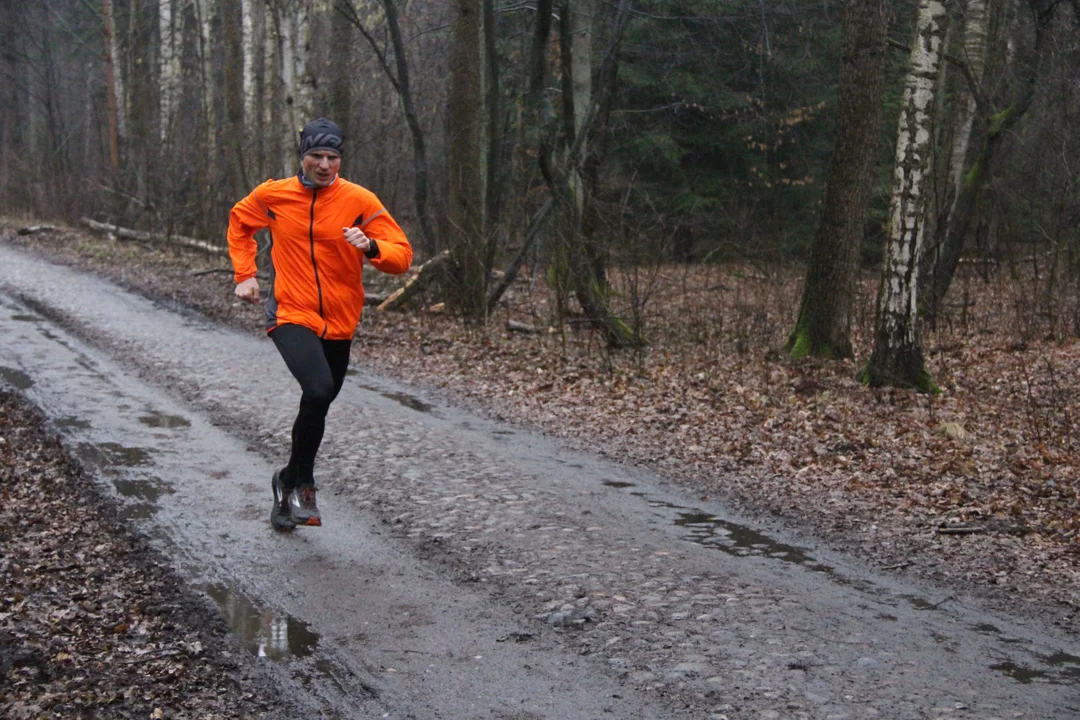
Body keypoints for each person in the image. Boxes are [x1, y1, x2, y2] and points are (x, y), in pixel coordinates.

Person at [227, 117, 412, 531]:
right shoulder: (273, 196)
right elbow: (240, 223)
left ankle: (285, 482)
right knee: (318, 388)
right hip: (291, 310)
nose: (325, 165)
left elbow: (402, 255)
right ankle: (306, 484)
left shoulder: (360, 200)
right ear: (303, 157)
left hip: (340, 320)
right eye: (316, 156)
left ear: (340, 160)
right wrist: (245, 273)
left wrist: (373, 245)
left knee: (319, 402)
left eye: (332, 157)